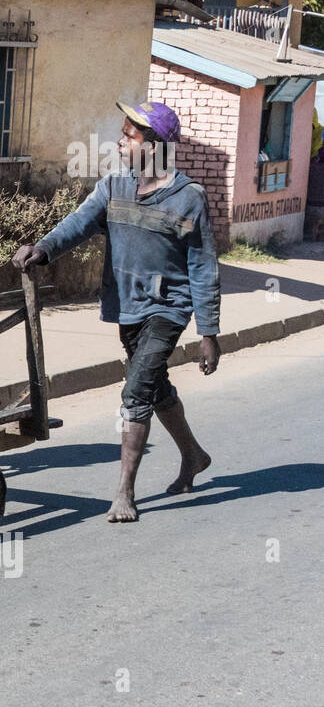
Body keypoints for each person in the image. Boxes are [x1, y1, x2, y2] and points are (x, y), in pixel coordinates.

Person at [12, 100, 221, 523]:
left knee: (136, 391)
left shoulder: (189, 199)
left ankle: (124, 493)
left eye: (130, 135)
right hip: (125, 306)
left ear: (156, 145)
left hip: (169, 308)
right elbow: (79, 222)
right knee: (154, 385)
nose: (121, 141)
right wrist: (44, 248)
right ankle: (194, 455)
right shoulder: (113, 187)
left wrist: (209, 332)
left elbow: (203, 267)